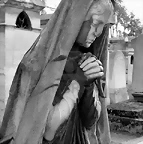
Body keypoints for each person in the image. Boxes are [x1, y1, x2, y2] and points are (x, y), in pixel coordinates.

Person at [0, 0, 115, 144]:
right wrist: (77, 83)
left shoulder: (88, 61)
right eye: (96, 23)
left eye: (103, 27)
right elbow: (47, 130)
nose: (98, 33)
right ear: (76, 18)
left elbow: (91, 122)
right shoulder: (35, 65)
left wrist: (89, 86)